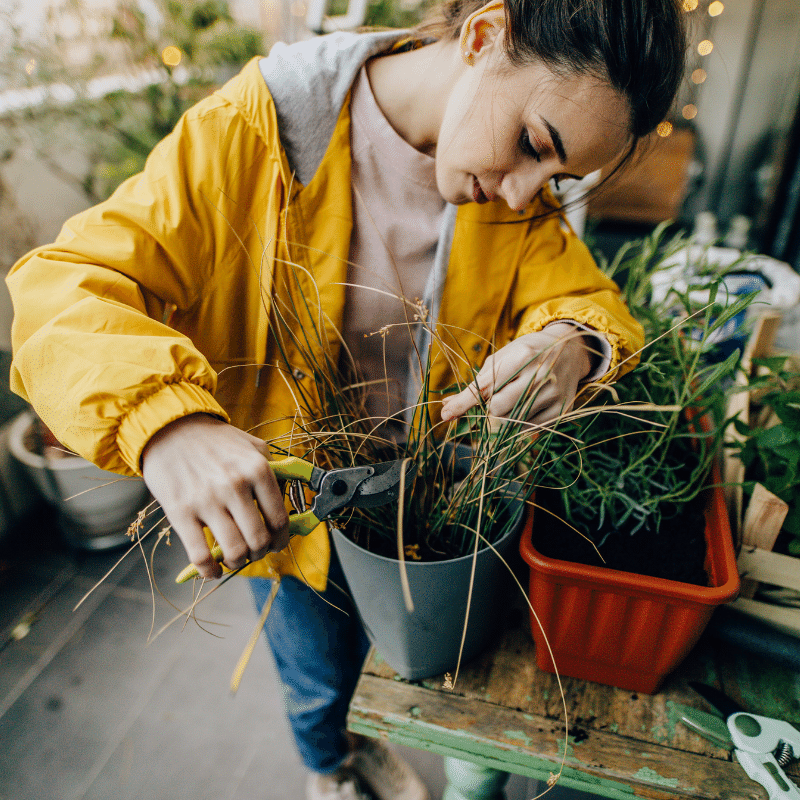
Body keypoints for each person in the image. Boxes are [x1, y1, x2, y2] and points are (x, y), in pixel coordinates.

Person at [6, 0, 686, 797]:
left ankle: (354, 744)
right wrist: (167, 421)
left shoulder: (519, 201)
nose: (521, 195)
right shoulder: (256, 130)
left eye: (556, 178)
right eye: (534, 145)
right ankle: (332, 768)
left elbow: (589, 300)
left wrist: (573, 344)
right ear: (483, 35)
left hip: (424, 505)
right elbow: (59, 289)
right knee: (318, 675)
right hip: (301, 512)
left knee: (408, 656)